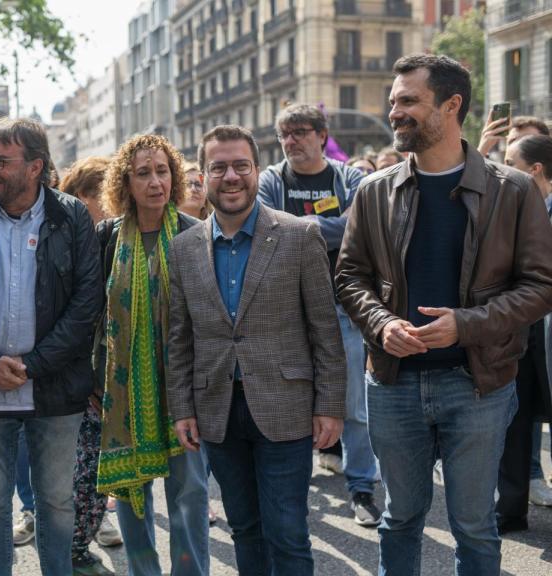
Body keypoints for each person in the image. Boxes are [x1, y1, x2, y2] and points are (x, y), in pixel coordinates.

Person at [335, 54, 552, 574]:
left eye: (408, 101)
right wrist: (382, 323)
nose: (394, 112)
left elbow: (541, 286)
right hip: (392, 384)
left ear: (452, 105)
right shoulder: (373, 190)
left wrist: (465, 324)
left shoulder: (514, 190)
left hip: (478, 386)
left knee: (474, 526)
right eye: (393, 101)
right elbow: (349, 277)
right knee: (399, 518)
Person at [168, 124, 345, 575]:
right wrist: (182, 408)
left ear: (257, 170)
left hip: (286, 406)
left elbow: (324, 329)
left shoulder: (299, 235)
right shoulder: (183, 249)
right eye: (219, 167)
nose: (231, 176)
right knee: (244, 529)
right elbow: (180, 337)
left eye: (240, 166)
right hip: (217, 410)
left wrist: (330, 406)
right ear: (203, 176)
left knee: (287, 533)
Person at [0, 117, 101, 576]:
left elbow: (88, 301)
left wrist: (33, 366)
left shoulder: (71, 216)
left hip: (55, 389)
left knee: (57, 503)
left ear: (35, 166)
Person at [257, 103, 380, 527]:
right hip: (286, 309)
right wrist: (331, 226)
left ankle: (362, 488)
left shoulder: (349, 178)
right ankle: (294, 490)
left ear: (322, 135)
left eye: (300, 132)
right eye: (284, 134)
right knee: (288, 402)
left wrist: (297, 227)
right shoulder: (272, 179)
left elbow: (358, 227)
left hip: (342, 306)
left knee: (354, 405)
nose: (291, 141)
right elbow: (267, 228)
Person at [95, 134, 210, 576]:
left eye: (162, 171)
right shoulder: (107, 237)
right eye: (143, 173)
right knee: (129, 489)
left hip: (184, 388)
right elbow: (92, 317)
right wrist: (94, 381)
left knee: (190, 493)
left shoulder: (194, 233)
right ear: (125, 182)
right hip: (124, 390)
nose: (155, 181)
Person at [58, 156, 123, 575]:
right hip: (75, 378)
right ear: (81, 196)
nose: (110, 202)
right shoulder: (70, 239)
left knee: (95, 472)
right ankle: (72, 550)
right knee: (82, 473)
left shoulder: (112, 237)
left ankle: (77, 544)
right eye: (101, 194)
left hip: (103, 377)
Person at [497, 134, 552, 529]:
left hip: (548, 333)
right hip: (519, 333)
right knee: (514, 421)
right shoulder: (510, 209)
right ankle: (510, 509)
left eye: (510, 162)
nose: (502, 171)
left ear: (534, 170)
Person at [478, 114, 550, 159]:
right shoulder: (494, 177)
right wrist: (482, 150)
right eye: (512, 141)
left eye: (528, 142)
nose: (517, 147)